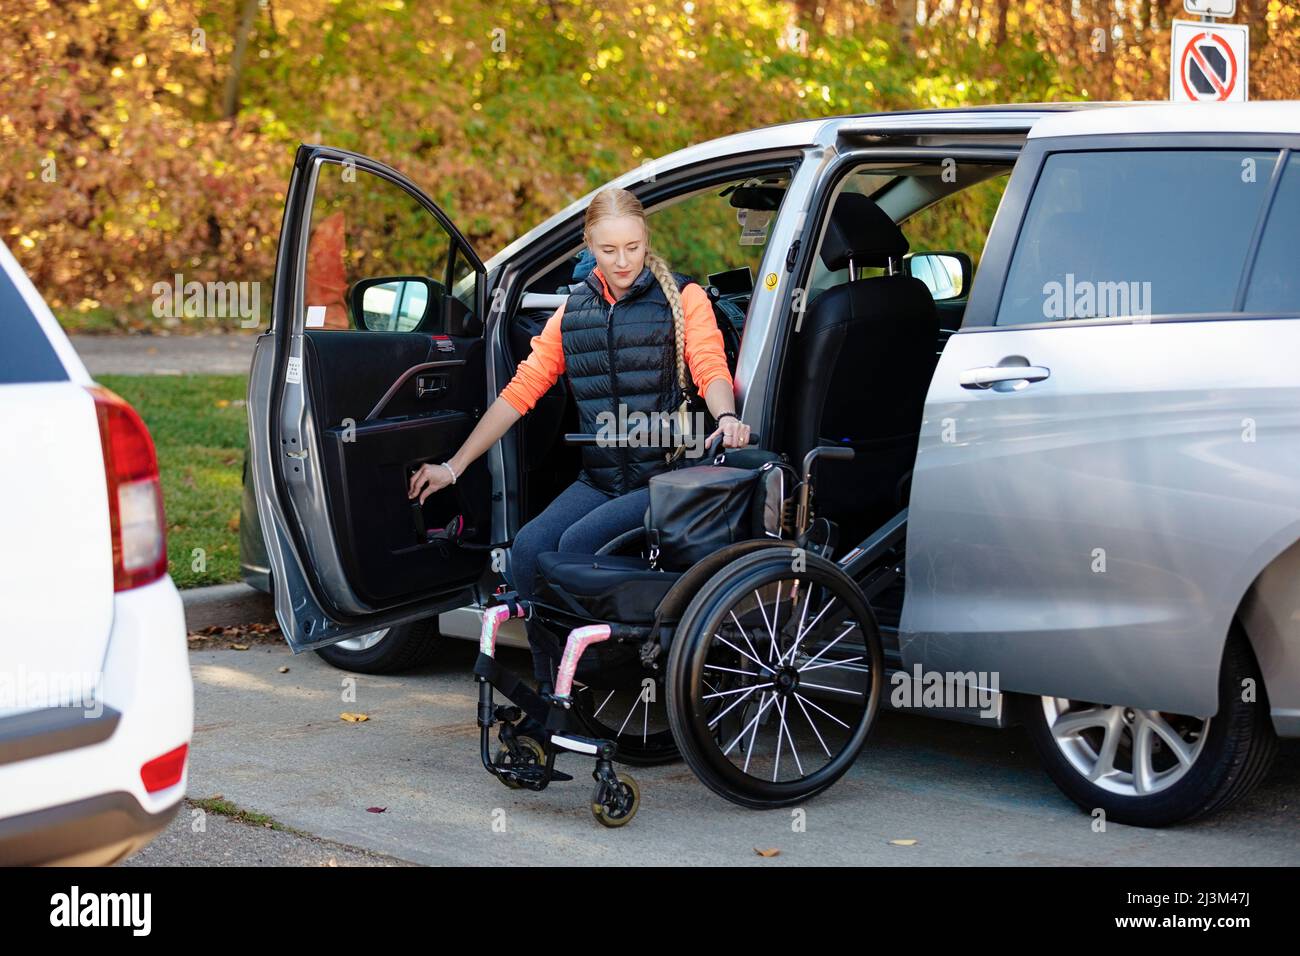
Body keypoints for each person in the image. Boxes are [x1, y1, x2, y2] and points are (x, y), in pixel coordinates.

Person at [408, 186, 751, 690]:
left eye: (633, 247)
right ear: (588, 243)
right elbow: (519, 393)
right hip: (602, 477)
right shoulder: (574, 312)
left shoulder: (684, 298)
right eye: (608, 250)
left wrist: (726, 417)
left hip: (666, 479)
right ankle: (553, 689)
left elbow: (709, 366)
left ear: (645, 239)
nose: (622, 261)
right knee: (529, 550)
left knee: (573, 547)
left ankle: (595, 679)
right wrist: (453, 467)